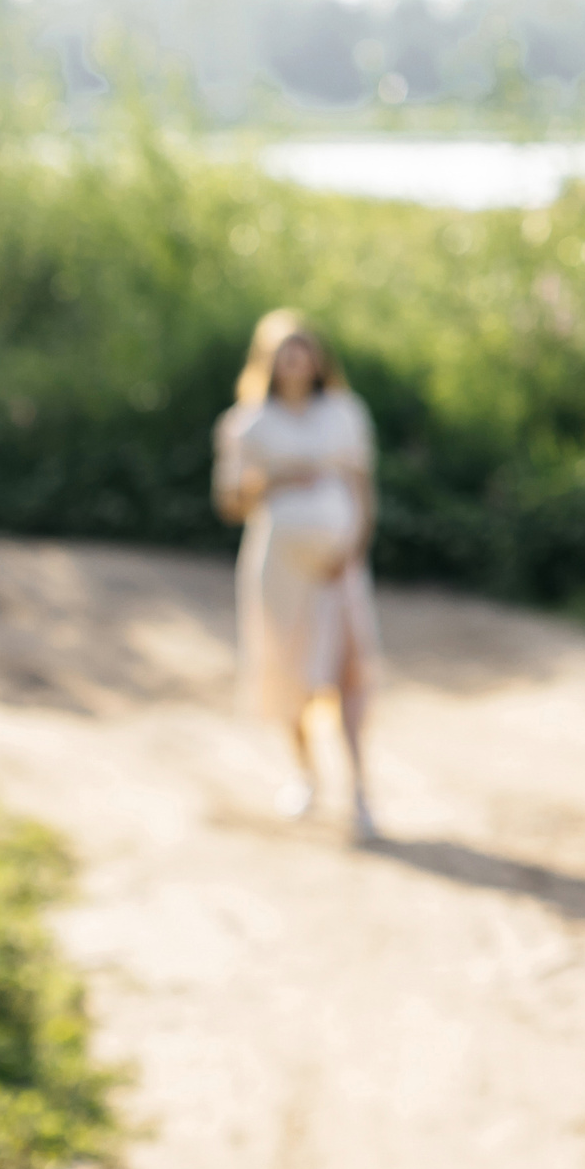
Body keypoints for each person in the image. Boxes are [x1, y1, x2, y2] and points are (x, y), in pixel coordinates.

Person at [212, 308, 382, 840]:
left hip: (338, 566)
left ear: (317, 359)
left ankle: (358, 790)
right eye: (286, 351)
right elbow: (230, 504)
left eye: (303, 349)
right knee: (288, 671)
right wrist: (277, 478)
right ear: (269, 360)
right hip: (279, 569)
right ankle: (305, 774)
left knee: (347, 672)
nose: (296, 361)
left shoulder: (346, 413)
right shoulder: (246, 424)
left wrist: (350, 551)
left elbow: (362, 489)